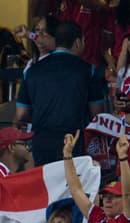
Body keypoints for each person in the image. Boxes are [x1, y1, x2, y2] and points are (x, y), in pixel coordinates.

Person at [16, 20, 107, 166]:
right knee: (72, 180)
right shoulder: (88, 70)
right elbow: (97, 114)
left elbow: (21, 114)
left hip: (41, 142)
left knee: (46, 180)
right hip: (74, 141)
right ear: (78, 42)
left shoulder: (32, 71)